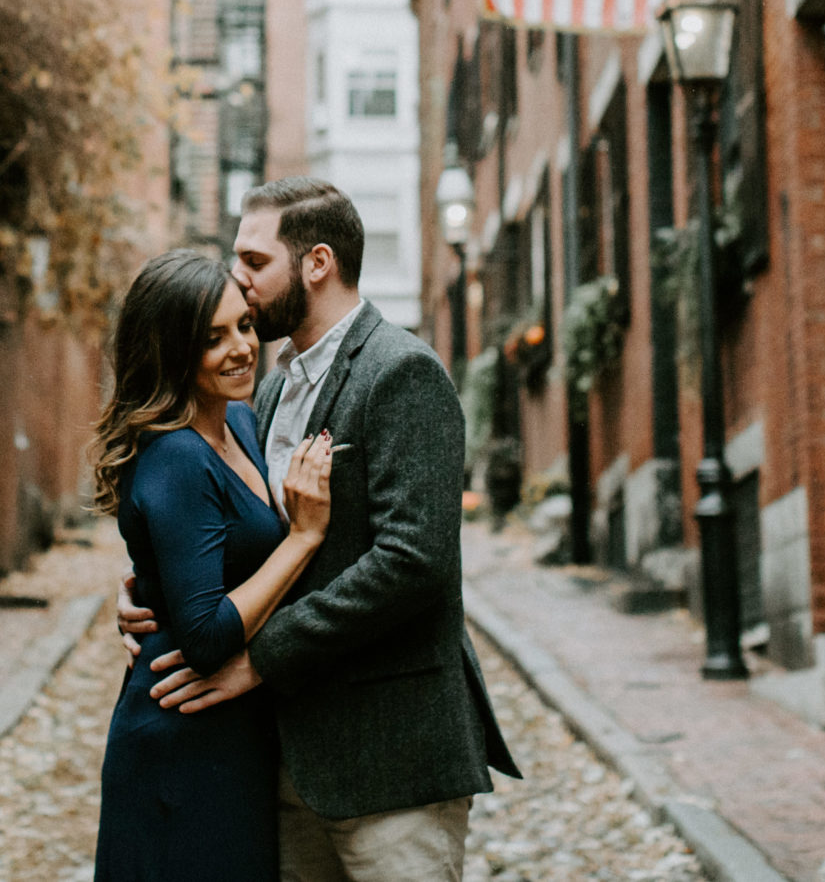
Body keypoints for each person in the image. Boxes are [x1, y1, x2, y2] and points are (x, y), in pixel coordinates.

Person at [118, 177, 518, 882]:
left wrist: (261, 657)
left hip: (390, 757)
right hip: (289, 761)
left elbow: (413, 561)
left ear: (317, 263)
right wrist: (151, 596)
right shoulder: (264, 393)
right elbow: (234, 533)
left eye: (254, 260)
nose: (237, 281)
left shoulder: (402, 372)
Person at [91, 249, 338, 882]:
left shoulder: (241, 424)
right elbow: (203, 636)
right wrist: (303, 538)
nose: (241, 349)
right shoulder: (177, 455)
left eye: (244, 327)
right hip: (181, 741)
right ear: (172, 352)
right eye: (212, 339)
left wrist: (143, 587)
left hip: (234, 738)